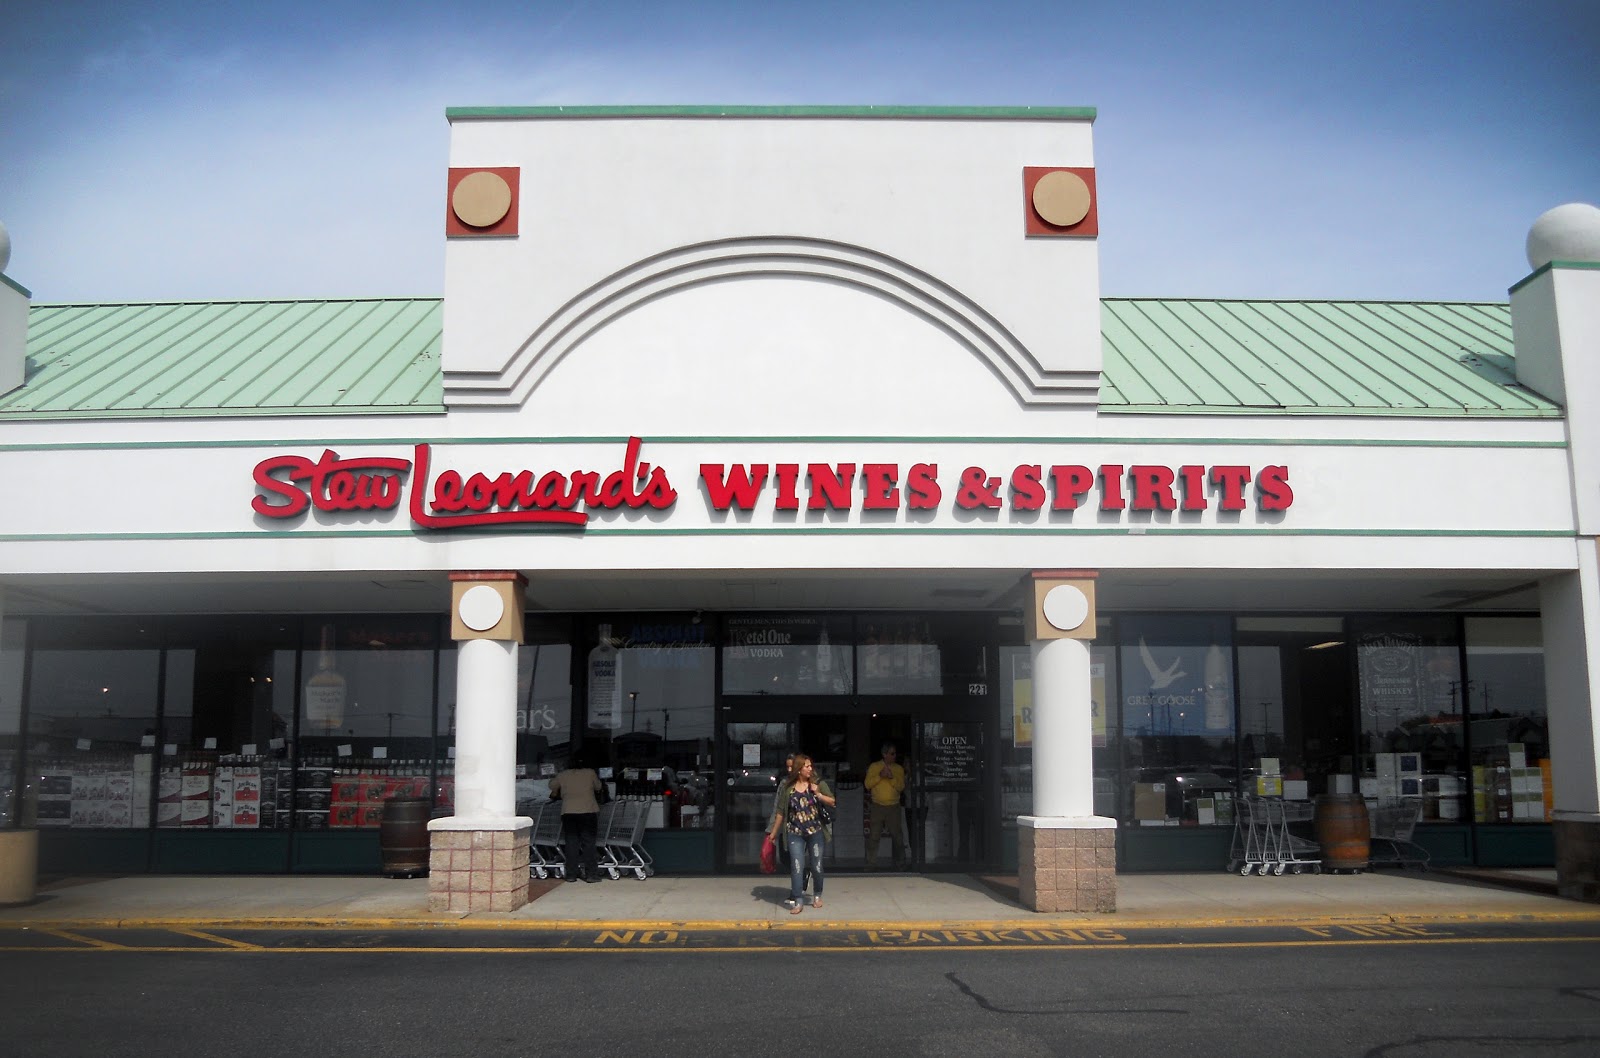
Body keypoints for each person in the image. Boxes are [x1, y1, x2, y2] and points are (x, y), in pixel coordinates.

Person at [766, 753, 835, 914]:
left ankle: (817, 894)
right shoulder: (788, 788)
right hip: (795, 833)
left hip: (815, 832)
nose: (810, 769)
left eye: (811, 766)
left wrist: (818, 794)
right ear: (799, 769)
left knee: (817, 866)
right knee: (797, 866)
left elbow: (832, 801)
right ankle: (798, 900)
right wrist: (773, 834)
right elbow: (781, 812)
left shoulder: (817, 783)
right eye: (807, 766)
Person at [548, 752, 606, 883]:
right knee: (589, 843)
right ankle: (591, 874)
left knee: (571, 843)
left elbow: (551, 785)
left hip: (569, 812)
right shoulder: (590, 773)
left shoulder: (563, 775)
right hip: (588, 811)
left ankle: (571, 874)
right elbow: (598, 786)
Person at [863, 742, 907, 870]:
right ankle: (871, 863)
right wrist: (880, 776)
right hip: (877, 806)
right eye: (892, 754)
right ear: (884, 754)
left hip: (894, 806)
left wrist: (891, 778)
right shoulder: (874, 767)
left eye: (895, 754)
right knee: (874, 836)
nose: (894, 756)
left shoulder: (898, 769)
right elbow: (867, 784)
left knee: (897, 836)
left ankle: (901, 863)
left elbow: (901, 787)